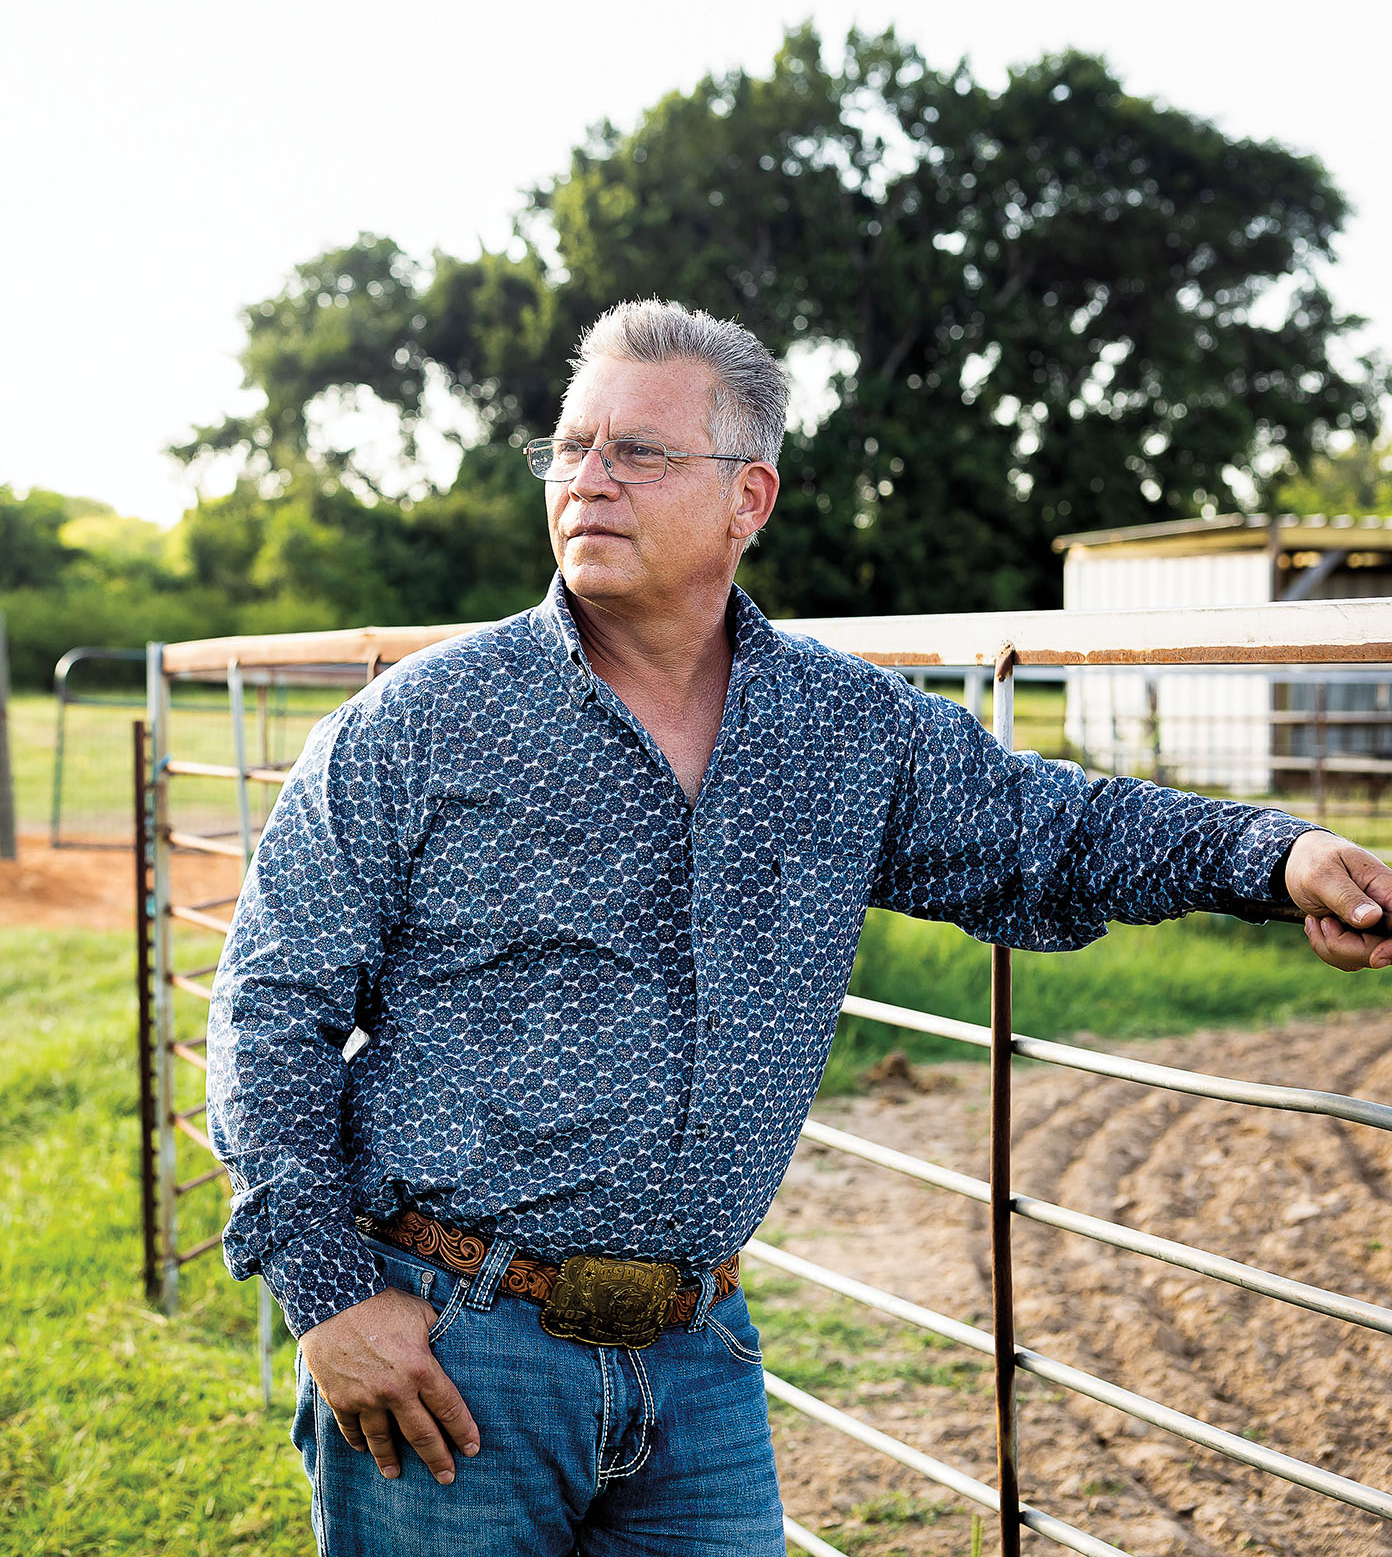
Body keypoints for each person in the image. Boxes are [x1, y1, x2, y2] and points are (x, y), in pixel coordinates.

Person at [204, 298, 1392, 1555]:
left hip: (698, 1357)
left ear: (748, 498)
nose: (588, 480)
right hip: (448, 1344)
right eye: (571, 447)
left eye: (638, 453)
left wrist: (1281, 855)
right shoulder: (421, 724)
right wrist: (332, 1300)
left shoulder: (844, 732)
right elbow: (269, 1007)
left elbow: (1059, 828)